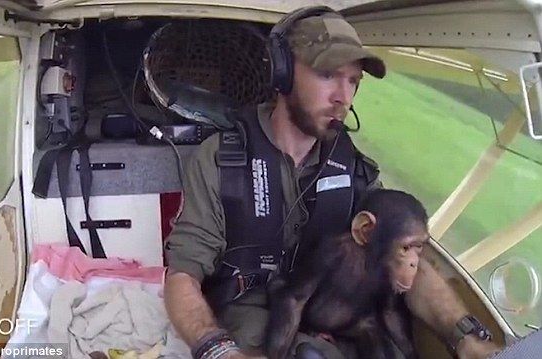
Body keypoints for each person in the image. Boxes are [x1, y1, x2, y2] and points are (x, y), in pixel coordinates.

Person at [163, 6, 502, 359]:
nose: (344, 97)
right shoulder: (221, 160)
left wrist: (466, 336)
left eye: (354, 80)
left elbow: (403, 253)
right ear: (282, 73)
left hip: (334, 317)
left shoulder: (353, 169)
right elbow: (183, 274)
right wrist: (219, 350)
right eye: (328, 75)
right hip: (252, 322)